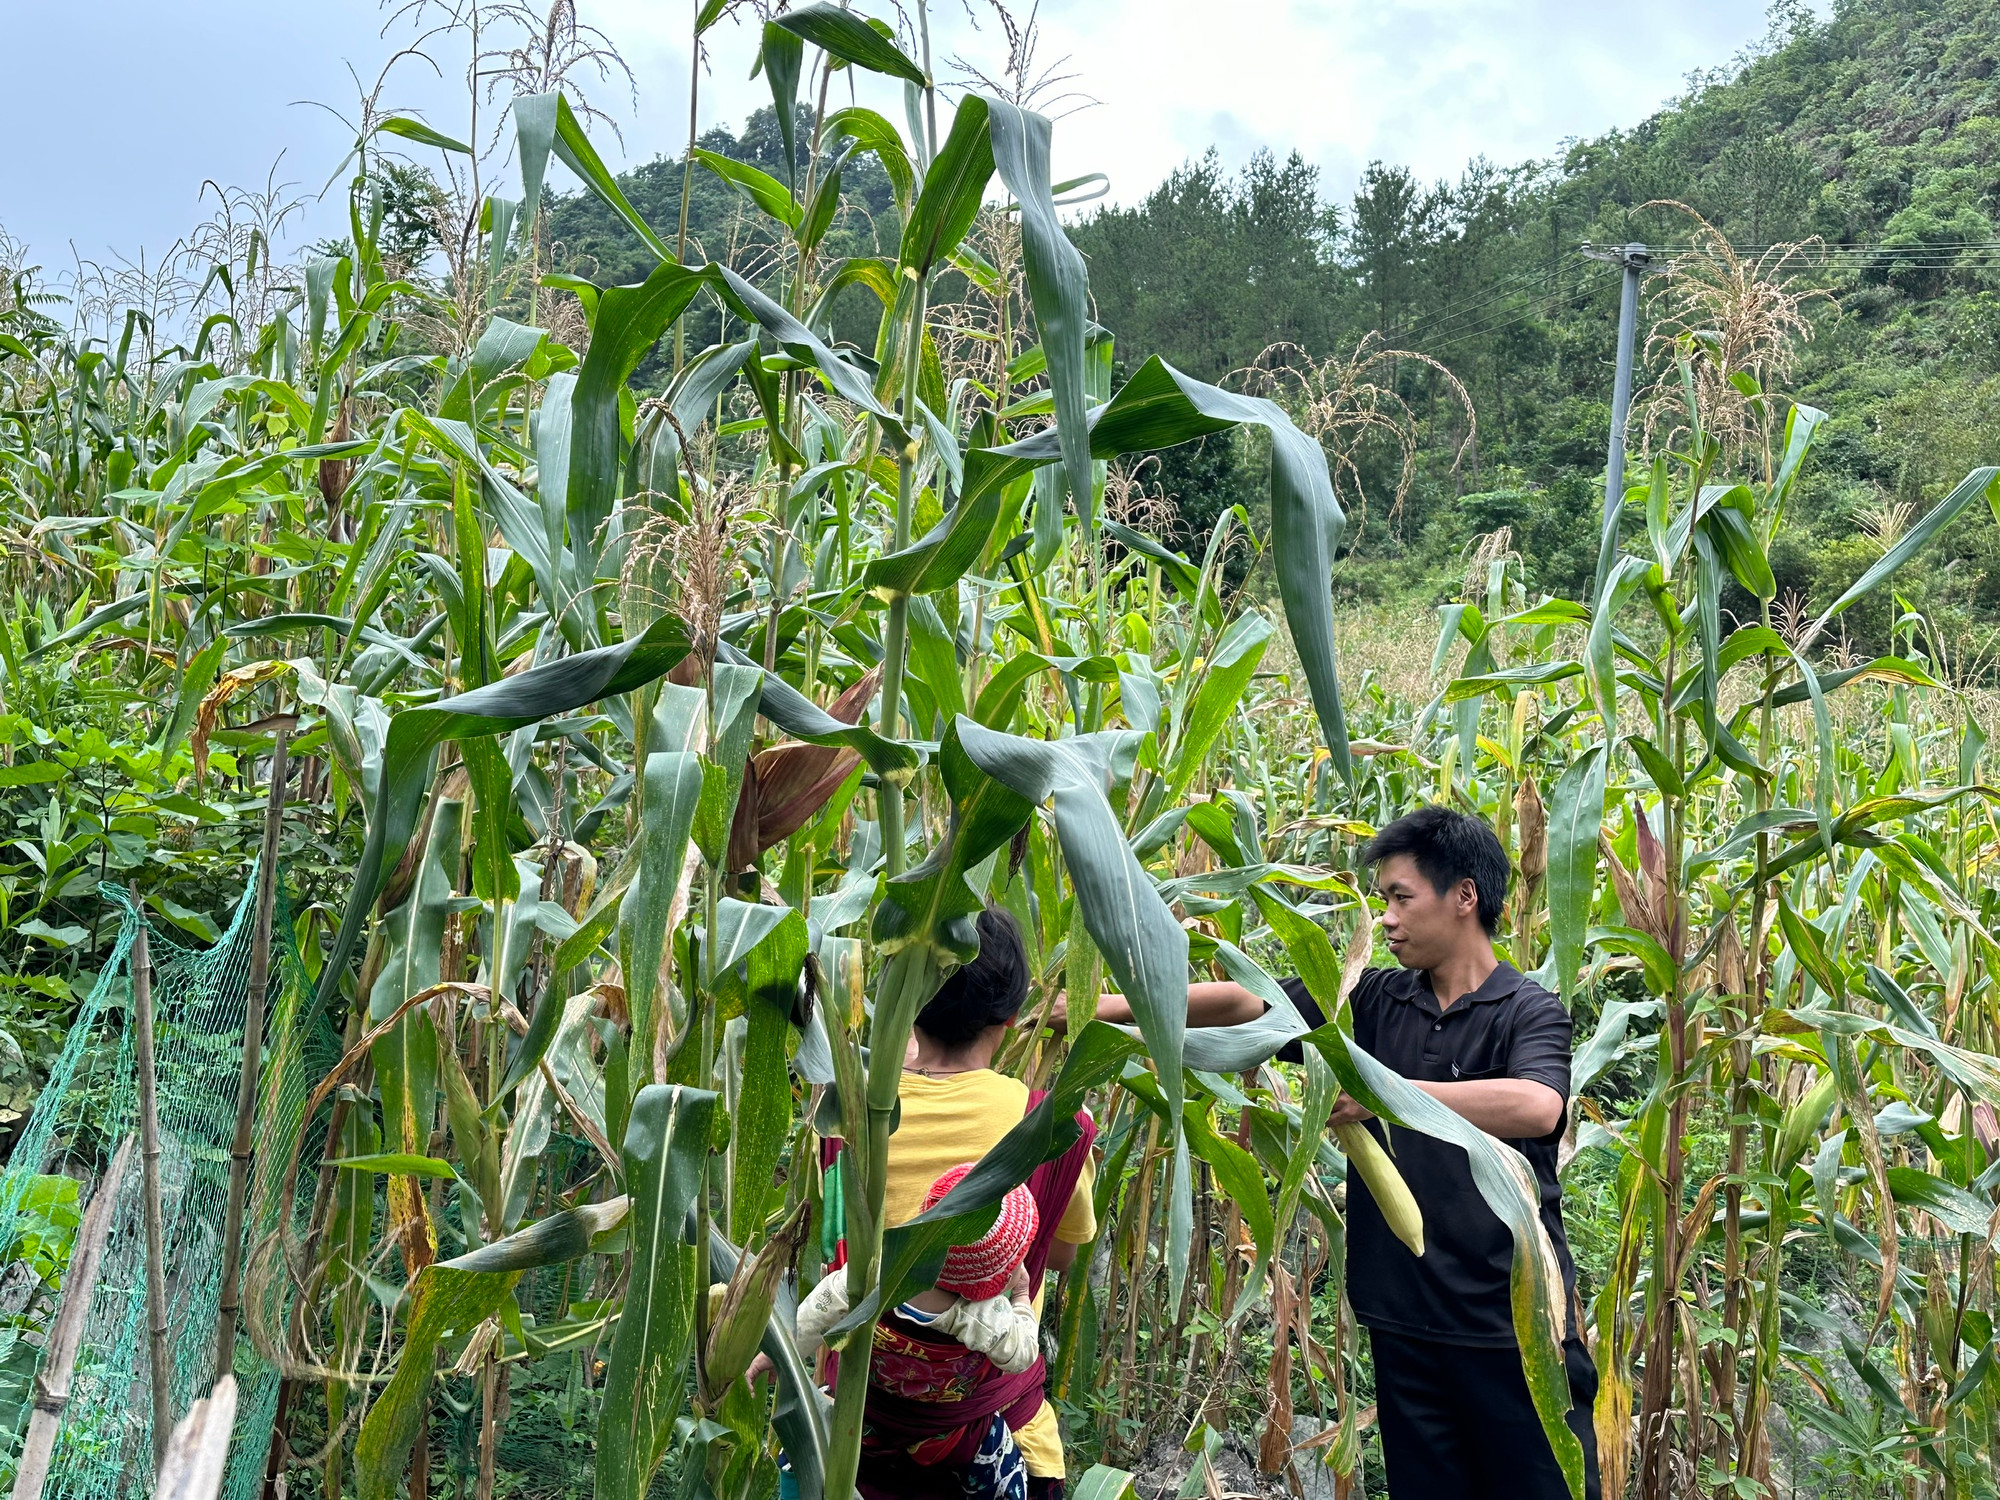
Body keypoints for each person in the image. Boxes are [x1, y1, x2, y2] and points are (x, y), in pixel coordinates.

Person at [1083, 805, 1601, 1499]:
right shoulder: (1373, 996)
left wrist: (1384, 1092)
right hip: (1404, 1320)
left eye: (1400, 897)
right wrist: (1103, 1007)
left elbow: (1537, 1107)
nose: (1384, 917)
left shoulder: (1525, 1010)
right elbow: (1248, 1002)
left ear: (1465, 897)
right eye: (1382, 899)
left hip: (1514, 1330)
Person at [820, 906, 1098, 1500]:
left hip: (848, 1434)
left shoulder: (848, 1113)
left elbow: (835, 1240)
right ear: (1015, 1015)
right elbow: (1064, 1256)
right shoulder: (1051, 1125)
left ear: (907, 1000)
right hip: (1002, 1440)